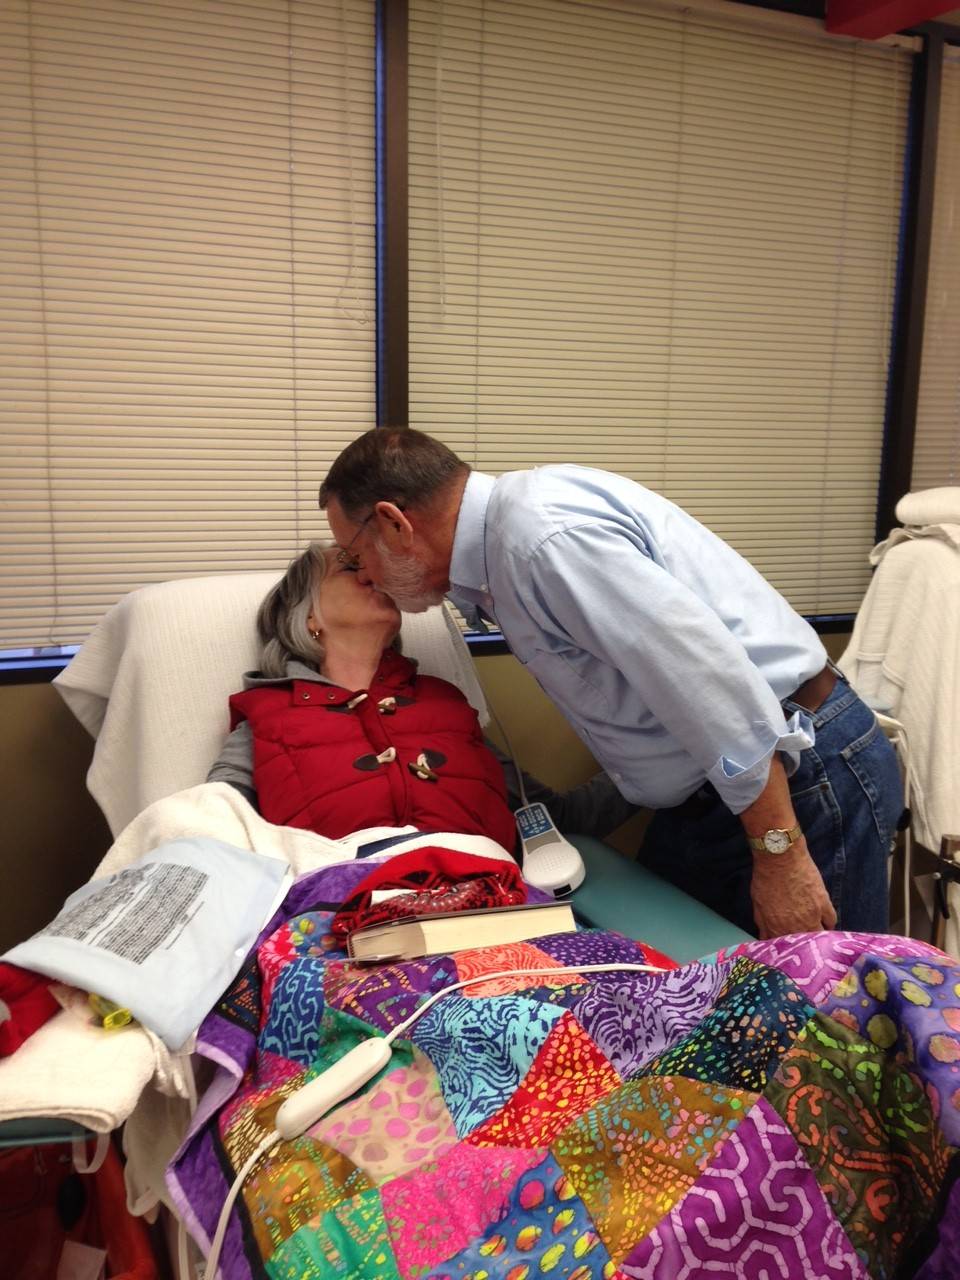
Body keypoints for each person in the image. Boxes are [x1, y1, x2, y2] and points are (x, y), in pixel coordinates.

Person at [318, 427, 904, 939]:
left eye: (354, 554)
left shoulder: (543, 542)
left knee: (833, 1015)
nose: (364, 574)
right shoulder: (505, 551)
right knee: (686, 989)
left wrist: (779, 857)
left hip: (797, 778)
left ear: (395, 523)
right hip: (720, 793)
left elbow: (711, 687)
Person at [208, 542, 633, 849]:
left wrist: (674, 753)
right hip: (346, 937)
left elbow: (557, 819)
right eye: (349, 566)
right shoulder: (267, 718)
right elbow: (208, 834)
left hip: (492, 919)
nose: (371, 573)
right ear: (309, 616)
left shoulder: (445, 705)